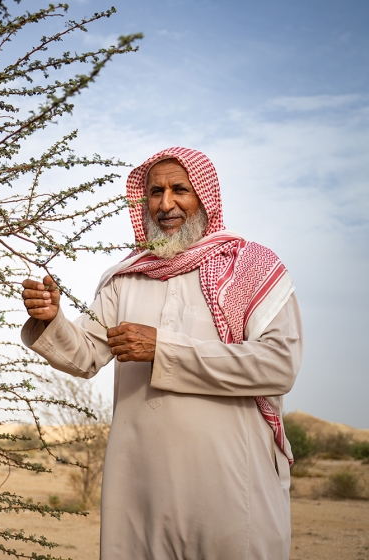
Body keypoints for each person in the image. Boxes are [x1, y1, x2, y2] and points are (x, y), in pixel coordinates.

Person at [21, 147, 302, 559]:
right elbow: (84, 355)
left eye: (179, 190)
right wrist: (52, 319)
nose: (165, 204)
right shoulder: (125, 278)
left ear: (205, 196)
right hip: (141, 493)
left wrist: (163, 349)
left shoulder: (252, 267)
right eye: (155, 192)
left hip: (229, 491)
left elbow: (279, 365)